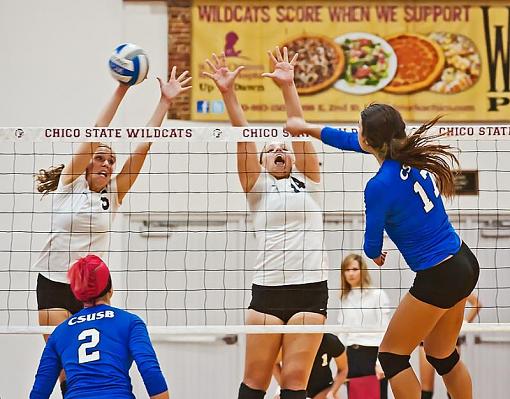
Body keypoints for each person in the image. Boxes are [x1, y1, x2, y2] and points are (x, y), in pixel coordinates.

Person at [285, 103, 480, 399]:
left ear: (369, 140)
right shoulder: (410, 154)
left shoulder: (379, 186)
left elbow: (371, 244)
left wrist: (374, 254)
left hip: (439, 274)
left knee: (391, 357)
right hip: (463, 261)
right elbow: (347, 140)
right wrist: (305, 127)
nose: (356, 135)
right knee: (442, 356)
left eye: (359, 130)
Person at [32, 67, 191, 395]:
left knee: (100, 367)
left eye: (111, 160)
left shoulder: (113, 195)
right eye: (100, 158)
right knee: (66, 370)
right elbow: (95, 134)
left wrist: (164, 103)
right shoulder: (68, 186)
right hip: (54, 284)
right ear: (88, 163)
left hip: (92, 291)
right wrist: (122, 89)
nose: (106, 164)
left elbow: (142, 150)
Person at [203, 47, 327, 399]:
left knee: (294, 383)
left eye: (283, 147)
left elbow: (299, 131)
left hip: (310, 289)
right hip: (268, 291)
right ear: (261, 160)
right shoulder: (257, 189)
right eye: (271, 148)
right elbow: (243, 134)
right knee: (255, 383)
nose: (279, 150)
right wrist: (228, 94)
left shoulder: (311, 183)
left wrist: (289, 87)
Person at [30, 254, 169, 398]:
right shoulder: (130, 322)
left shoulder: (60, 332)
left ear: (78, 294)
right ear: (111, 289)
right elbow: (150, 371)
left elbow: (39, 391)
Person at [338, 254, 390, 398]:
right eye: (346, 270)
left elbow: (385, 331)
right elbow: (342, 333)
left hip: (372, 356)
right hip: (351, 357)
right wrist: (341, 366)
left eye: (354, 269)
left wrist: (380, 363)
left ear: (363, 270)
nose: (350, 273)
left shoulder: (377, 295)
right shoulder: (345, 298)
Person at [419, 293, 481, 399]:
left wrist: (464, 323)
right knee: (426, 390)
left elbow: (477, 304)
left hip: (449, 339)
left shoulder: (454, 283)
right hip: (426, 337)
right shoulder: (427, 284)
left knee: (452, 389)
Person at [273, 333, 348, 399]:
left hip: (323, 389)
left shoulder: (330, 341)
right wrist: (284, 387)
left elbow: (343, 369)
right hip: (293, 387)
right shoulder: (293, 339)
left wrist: (331, 392)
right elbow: (274, 363)